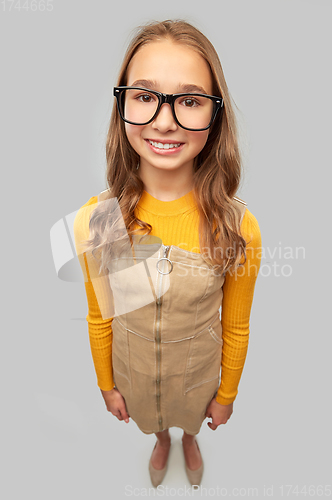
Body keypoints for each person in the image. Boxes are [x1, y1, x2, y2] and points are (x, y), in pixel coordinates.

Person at [73, 19, 262, 488]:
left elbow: (236, 325)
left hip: (198, 371)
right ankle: (161, 439)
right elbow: (100, 315)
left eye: (190, 101)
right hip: (134, 369)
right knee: (154, 414)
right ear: (122, 106)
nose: (164, 120)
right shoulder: (95, 220)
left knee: (189, 415)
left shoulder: (239, 227)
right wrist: (106, 383)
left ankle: (189, 439)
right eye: (144, 96)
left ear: (214, 115)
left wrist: (227, 393)